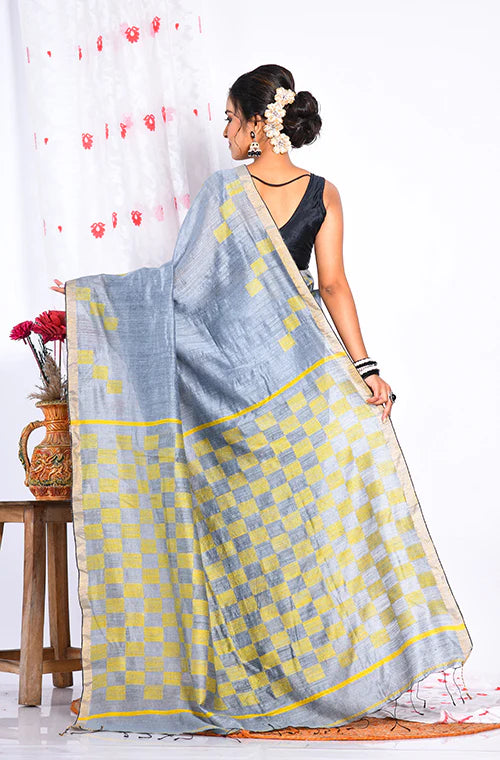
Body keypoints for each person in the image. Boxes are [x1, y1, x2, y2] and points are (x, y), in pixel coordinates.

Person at [56, 64, 471, 736]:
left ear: (256, 123)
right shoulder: (324, 193)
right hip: (309, 387)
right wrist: (366, 371)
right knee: (318, 539)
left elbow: (180, 291)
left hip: (234, 398)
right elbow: (332, 287)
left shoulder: (225, 193)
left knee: (249, 543)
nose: (223, 130)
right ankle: (341, 677)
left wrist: (95, 298)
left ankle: (273, 675)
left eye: (229, 117)